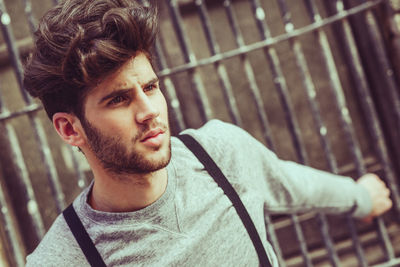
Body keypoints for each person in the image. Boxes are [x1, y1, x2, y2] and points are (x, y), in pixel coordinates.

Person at [23, 0, 392, 266]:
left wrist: (362, 197)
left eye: (150, 88)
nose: (149, 110)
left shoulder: (218, 155)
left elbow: (290, 181)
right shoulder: (66, 258)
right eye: (119, 99)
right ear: (70, 129)